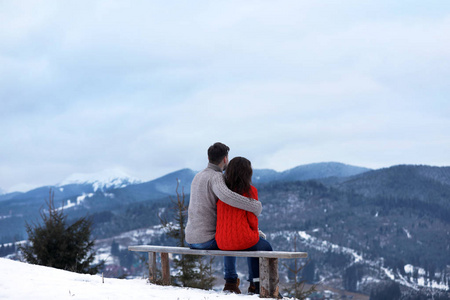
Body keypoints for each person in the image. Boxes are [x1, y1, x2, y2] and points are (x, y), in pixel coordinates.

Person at [185, 142, 262, 294]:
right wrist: (254, 206)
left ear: (208, 157)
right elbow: (228, 197)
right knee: (230, 239)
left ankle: (233, 282)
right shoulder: (216, 177)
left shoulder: (198, 176)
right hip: (206, 240)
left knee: (227, 237)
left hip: (190, 238)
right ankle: (232, 282)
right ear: (225, 159)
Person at [216, 156, 273, 295]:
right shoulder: (249, 190)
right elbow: (252, 220)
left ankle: (231, 282)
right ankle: (257, 285)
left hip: (222, 240)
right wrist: (255, 233)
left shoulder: (222, 192)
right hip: (242, 239)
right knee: (264, 246)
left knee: (252, 243)